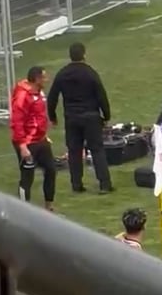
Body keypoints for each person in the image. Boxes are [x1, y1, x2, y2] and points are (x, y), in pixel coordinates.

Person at [48, 42, 115, 195]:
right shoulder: (90, 73)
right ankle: (104, 184)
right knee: (97, 150)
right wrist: (106, 115)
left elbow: (52, 97)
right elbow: (101, 95)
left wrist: (52, 116)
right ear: (84, 54)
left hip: (71, 117)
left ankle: (76, 184)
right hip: (91, 116)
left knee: (74, 151)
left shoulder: (62, 74)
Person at [10, 66, 59, 211]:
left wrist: (44, 135)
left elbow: (39, 117)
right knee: (27, 176)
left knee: (51, 170)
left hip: (41, 140)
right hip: (27, 142)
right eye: (44, 77)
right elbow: (17, 122)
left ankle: (49, 205)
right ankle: (23, 209)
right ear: (37, 79)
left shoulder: (39, 92)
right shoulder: (23, 96)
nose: (47, 79)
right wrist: (23, 146)